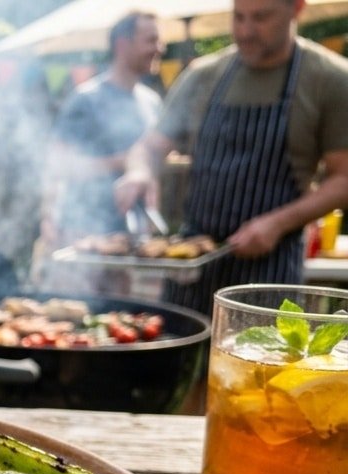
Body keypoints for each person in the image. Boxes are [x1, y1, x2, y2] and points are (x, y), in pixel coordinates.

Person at [115, 0, 348, 314]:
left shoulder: (329, 79)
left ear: (296, 8)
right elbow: (148, 148)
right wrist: (139, 173)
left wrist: (277, 223)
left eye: (261, 17)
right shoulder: (204, 75)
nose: (245, 31)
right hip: (194, 267)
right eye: (238, 17)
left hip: (271, 271)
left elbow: (343, 179)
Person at [42, 12, 163, 249]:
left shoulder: (152, 102)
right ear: (122, 45)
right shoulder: (87, 100)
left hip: (135, 237)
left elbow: (152, 169)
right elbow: (58, 166)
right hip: (85, 234)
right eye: (151, 40)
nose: (159, 48)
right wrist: (47, 219)